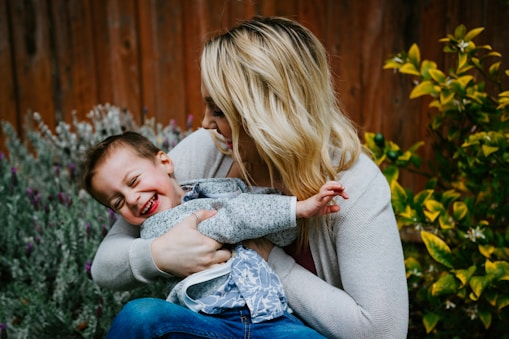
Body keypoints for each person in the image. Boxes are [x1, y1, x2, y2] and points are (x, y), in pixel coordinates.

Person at [90, 16, 409, 338]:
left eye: (219, 111)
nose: (205, 123)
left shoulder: (353, 183)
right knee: (141, 317)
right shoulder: (209, 151)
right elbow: (105, 265)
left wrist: (270, 259)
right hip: (213, 326)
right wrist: (159, 255)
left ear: (268, 110)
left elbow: (382, 331)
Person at [82, 131, 347, 337]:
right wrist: (296, 208)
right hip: (209, 323)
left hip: (269, 317)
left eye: (133, 181)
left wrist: (281, 211)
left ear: (165, 162)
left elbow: (281, 237)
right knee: (138, 315)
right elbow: (229, 221)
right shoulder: (157, 227)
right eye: (117, 203)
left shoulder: (215, 191)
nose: (132, 199)